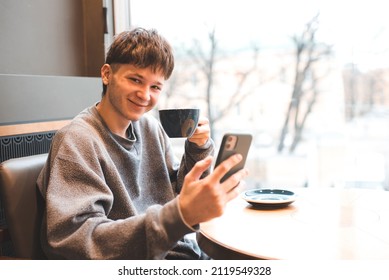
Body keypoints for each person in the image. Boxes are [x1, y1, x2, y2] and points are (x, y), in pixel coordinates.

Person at [37, 27, 248, 259]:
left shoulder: (150, 128)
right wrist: (180, 215)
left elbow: (177, 196)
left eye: (155, 87)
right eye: (135, 80)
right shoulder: (77, 140)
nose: (145, 95)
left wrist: (198, 148)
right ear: (107, 74)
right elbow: (74, 239)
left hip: (180, 253)